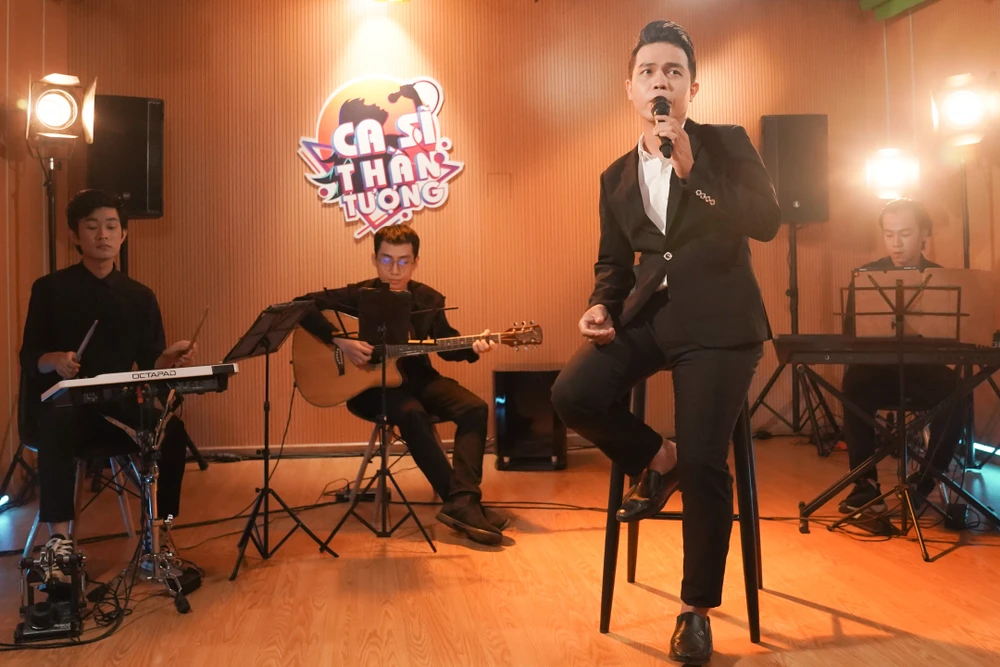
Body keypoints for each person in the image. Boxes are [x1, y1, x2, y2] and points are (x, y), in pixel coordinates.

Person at [550, 20, 780, 664]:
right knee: (571, 394)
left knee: (707, 460)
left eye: (674, 72)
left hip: (722, 326)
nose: (661, 81)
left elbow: (765, 222)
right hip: (650, 316)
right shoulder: (615, 177)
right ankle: (659, 459)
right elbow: (613, 263)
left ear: (691, 89)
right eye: (649, 71)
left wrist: (694, 170)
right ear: (630, 88)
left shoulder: (726, 144)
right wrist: (601, 304)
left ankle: (694, 610)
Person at [19, 189, 199, 578]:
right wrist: (56, 359)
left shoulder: (140, 296)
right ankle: (59, 540)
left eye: (111, 226)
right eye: (92, 226)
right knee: (57, 423)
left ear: (123, 235)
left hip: (114, 407)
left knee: (172, 431)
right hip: (64, 405)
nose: (102, 234)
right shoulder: (49, 288)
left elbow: (150, 363)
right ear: (75, 235)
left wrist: (168, 359)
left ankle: (160, 530)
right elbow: (29, 356)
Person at [294, 224, 510, 546]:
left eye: (403, 261)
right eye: (386, 260)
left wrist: (473, 347)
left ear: (415, 262)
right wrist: (339, 340)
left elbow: (446, 345)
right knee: (411, 413)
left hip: (418, 379)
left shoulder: (428, 299)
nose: (394, 270)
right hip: (368, 390)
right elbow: (300, 305)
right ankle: (462, 504)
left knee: (474, 408)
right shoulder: (357, 295)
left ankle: (464, 500)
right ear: (374, 259)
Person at [839, 198, 963, 514]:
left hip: (924, 372)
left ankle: (925, 481)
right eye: (889, 234)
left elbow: (956, 336)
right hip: (878, 372)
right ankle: (865, 484)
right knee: (854, 383)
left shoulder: (942, 278)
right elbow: (852, 331)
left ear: (924, 234)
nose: (896, 243)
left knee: (960, 392)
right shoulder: (866, 275)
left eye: (905, 234)